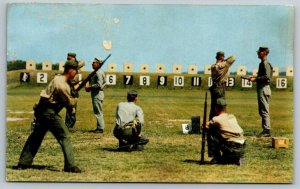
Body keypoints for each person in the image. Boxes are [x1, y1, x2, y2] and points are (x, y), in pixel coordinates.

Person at [14, 61, 82, 173]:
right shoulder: (62, 85)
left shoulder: (59, 78)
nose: (76, 73)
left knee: (36, 136)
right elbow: (70, 103)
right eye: (75, 71)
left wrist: (72, 90)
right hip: (49, 112)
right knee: (64, 136)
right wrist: (75, 96)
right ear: (71, 70)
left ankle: (23, 163)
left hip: (42, 110)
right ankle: (70, 166)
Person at [206, 98, 245, 165]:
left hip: (231, 145)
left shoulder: (216, 119)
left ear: (216, 108)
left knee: (211, 132)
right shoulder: (232, 116)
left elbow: (206, 126)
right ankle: (237, 158)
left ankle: (216, 158)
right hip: (242, 145)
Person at [248, 46, 273, 137]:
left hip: (264, 88)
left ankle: (267, 130)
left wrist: (255, 79)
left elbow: (267, 77)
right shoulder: (262, 63)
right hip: (262, 88)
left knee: (264, 110)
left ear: (264, 53)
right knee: (262, 110)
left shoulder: (265, 63)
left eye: (259, 52)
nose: (258, 53)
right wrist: (255, 77)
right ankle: (265, 129)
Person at [209, 51, 236, 120]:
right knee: (221, 107)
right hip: (220, 88)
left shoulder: (213, 66)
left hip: (214, 88)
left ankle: (211, 124)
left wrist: (222, 59)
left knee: (213, 107)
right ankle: (220, 124)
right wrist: (225, 59)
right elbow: (233, 58)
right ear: (221, 57)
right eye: (223, 56)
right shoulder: (224, 65)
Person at [85, 58, 106, 133]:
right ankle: (99, 127)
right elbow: (105, 82)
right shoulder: (99, 72)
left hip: (97, 93)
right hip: (98, 93)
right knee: (98, 110)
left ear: (98, 64)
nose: (92, 64)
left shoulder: (98, 73)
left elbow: (99, 85)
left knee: (98, 111)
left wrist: (89, 87)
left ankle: (100, 128)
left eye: (94, 63)